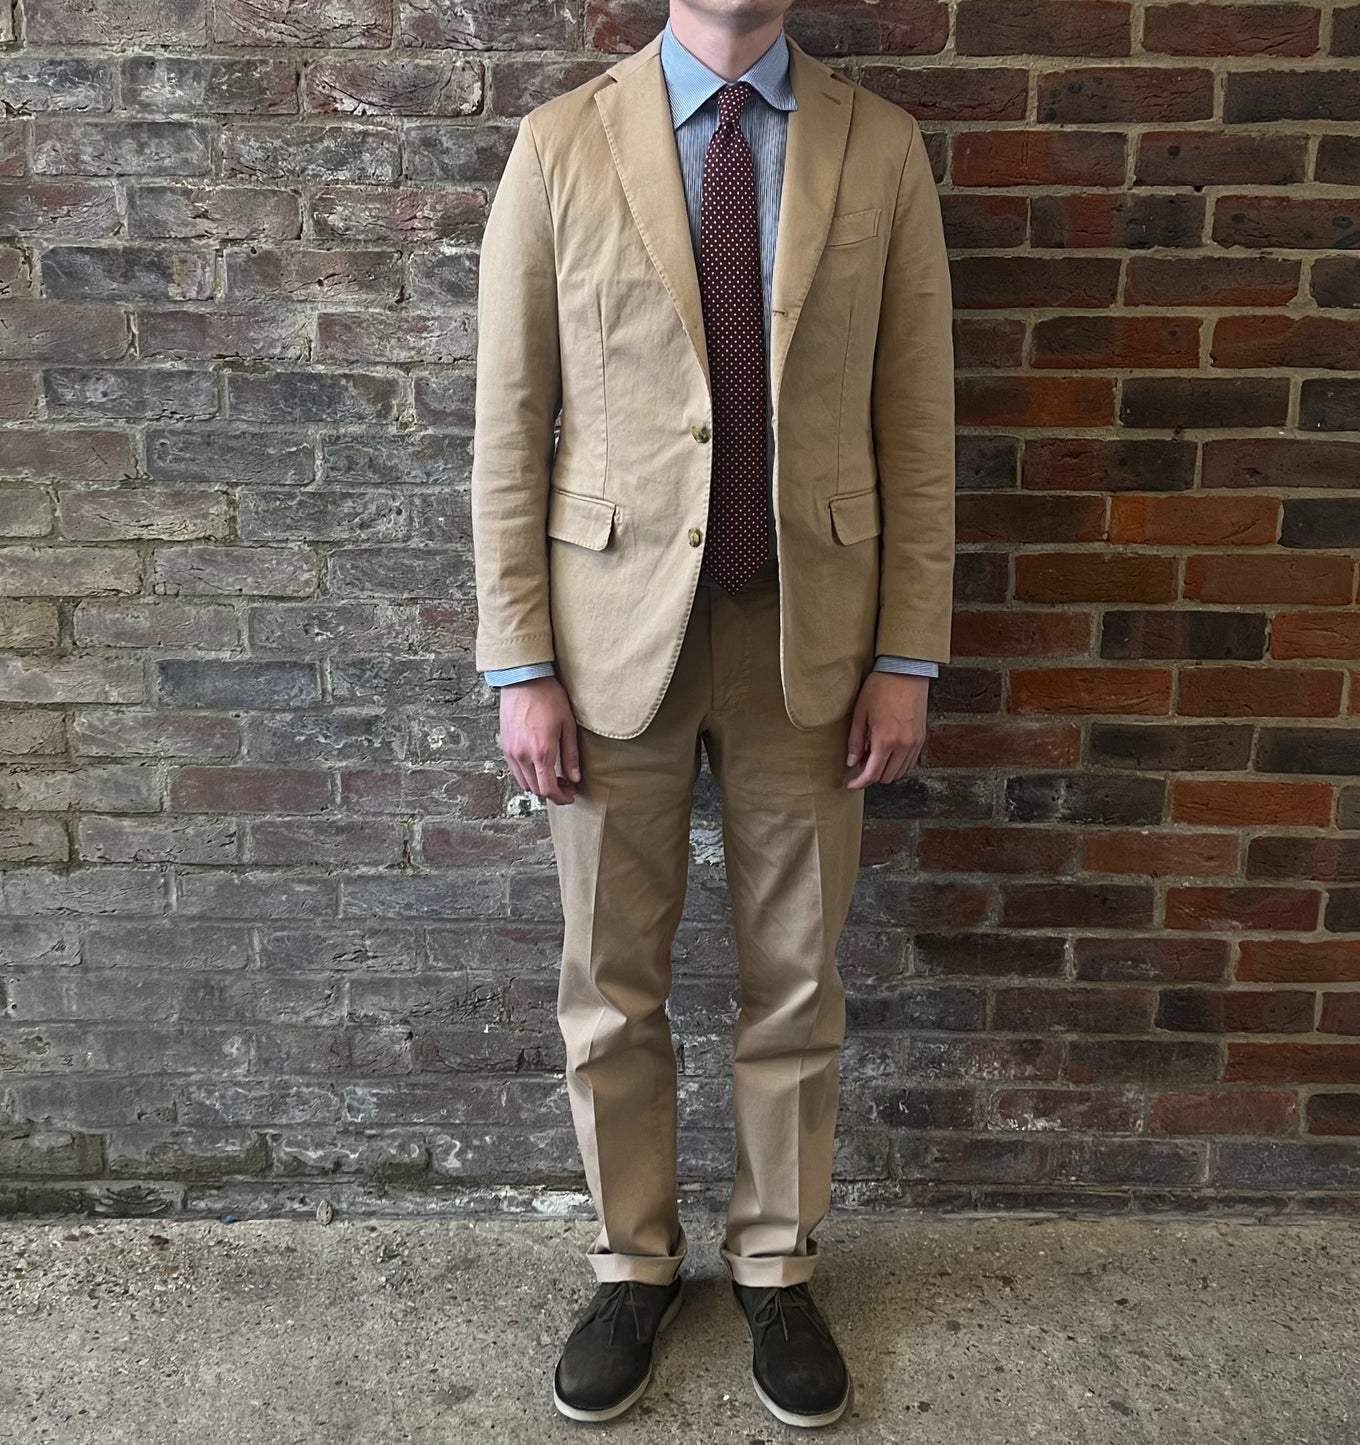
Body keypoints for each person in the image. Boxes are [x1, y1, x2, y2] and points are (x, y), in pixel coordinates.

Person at [470, 0, 954, 1427]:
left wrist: (907, 654)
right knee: (608, 983)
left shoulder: (880, 148)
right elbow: (509, 415)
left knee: (796, 976)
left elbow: (916, 416)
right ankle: (631, 1262)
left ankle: (774, 1262)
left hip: (813, 630)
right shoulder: (561, 144)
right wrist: (521, 664)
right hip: (607, 633)